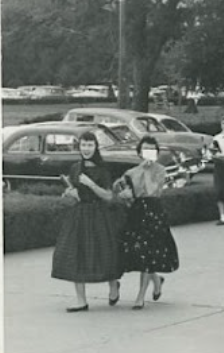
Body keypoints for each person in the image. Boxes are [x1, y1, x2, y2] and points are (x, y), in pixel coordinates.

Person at [51, 131, 123, 312]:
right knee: (76, 253)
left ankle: (113, 286)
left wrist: (90, 184)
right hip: (79, 215)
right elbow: (75, 192)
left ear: (95, 147)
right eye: (83, 145)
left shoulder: (103, 169)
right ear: (79, 146)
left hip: (99, 215)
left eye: (90, 145)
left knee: (104, 253)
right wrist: (71, 193)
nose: (86, 148)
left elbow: (108, 196)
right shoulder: (75, 168)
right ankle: (81, 300)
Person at [115, 136, 179, 310]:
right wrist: (125, 194)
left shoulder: (160, 170)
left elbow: (152, 190)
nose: (148, 153)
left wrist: (146, 171)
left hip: (154, 212)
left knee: (150, 252)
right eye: (145, 150)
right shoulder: (131, 172)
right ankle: (157, 280)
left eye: (152, 149)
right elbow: (121, 189)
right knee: (139, 252)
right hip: (136, 213)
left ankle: (140, 296)